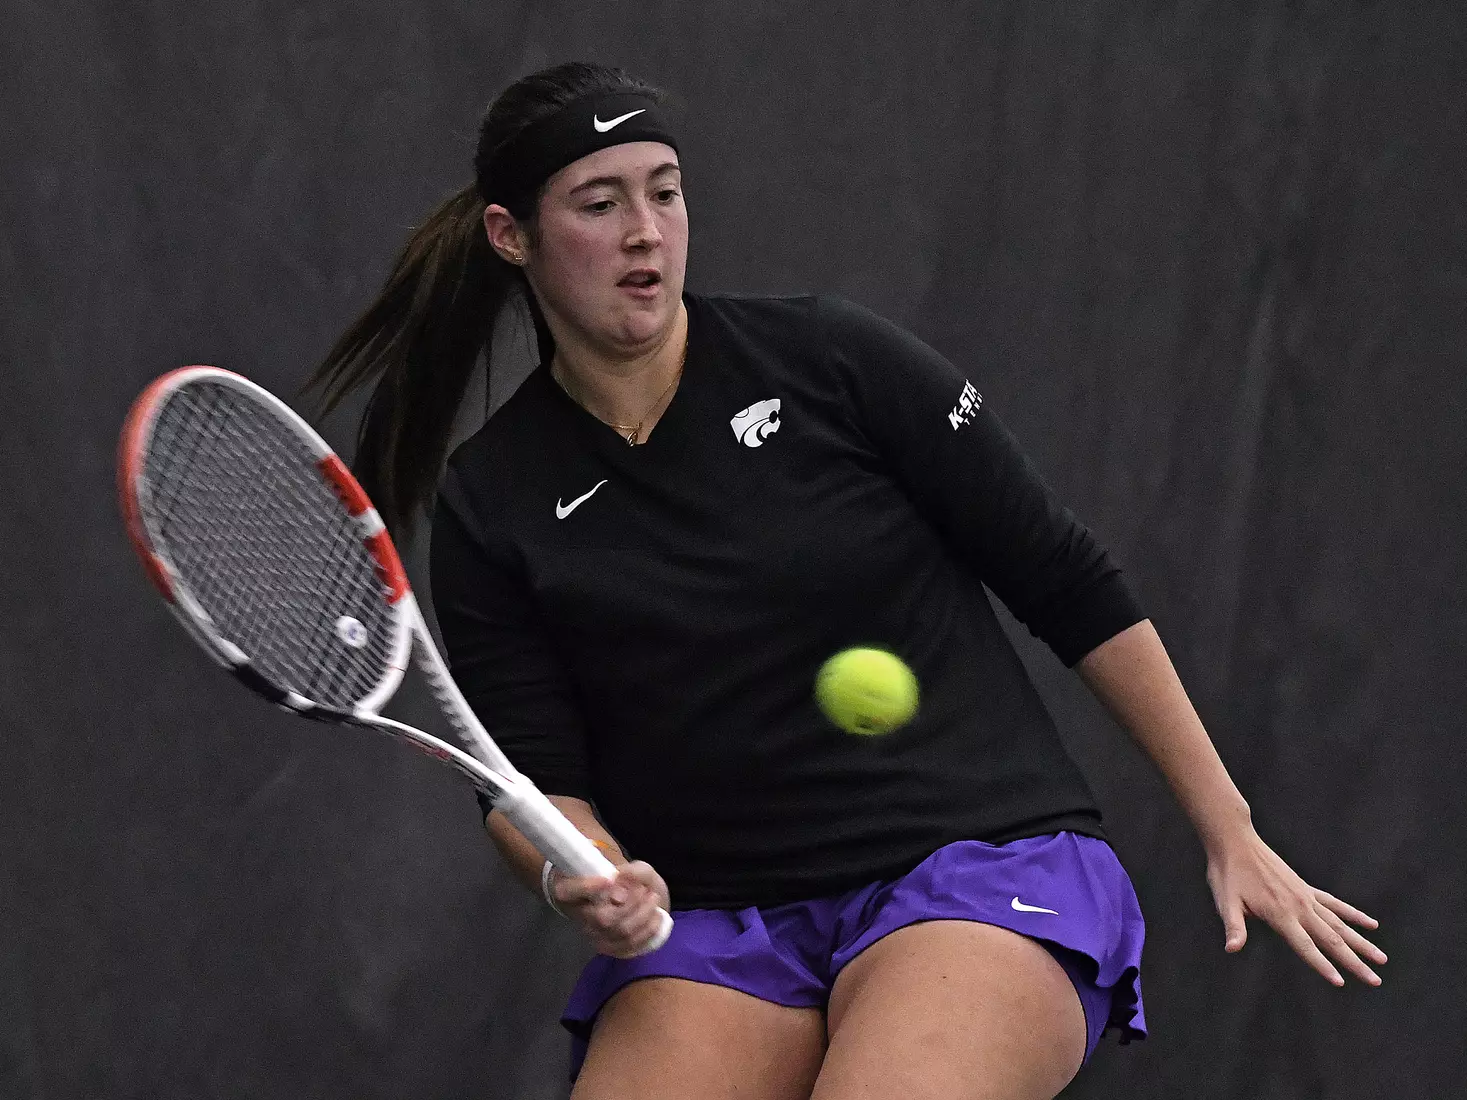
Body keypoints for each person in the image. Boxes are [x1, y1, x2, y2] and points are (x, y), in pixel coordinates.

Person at [310, 61, 1386, 1100]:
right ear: (512, 236)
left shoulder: (832, 361)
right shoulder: (494, 495)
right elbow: (534, 782)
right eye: (600, 204)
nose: (645, 231)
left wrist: (1226, 822)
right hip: (727, 921)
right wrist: (582, 870)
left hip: (976, 867)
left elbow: (1064, 576)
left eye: (665, 192)